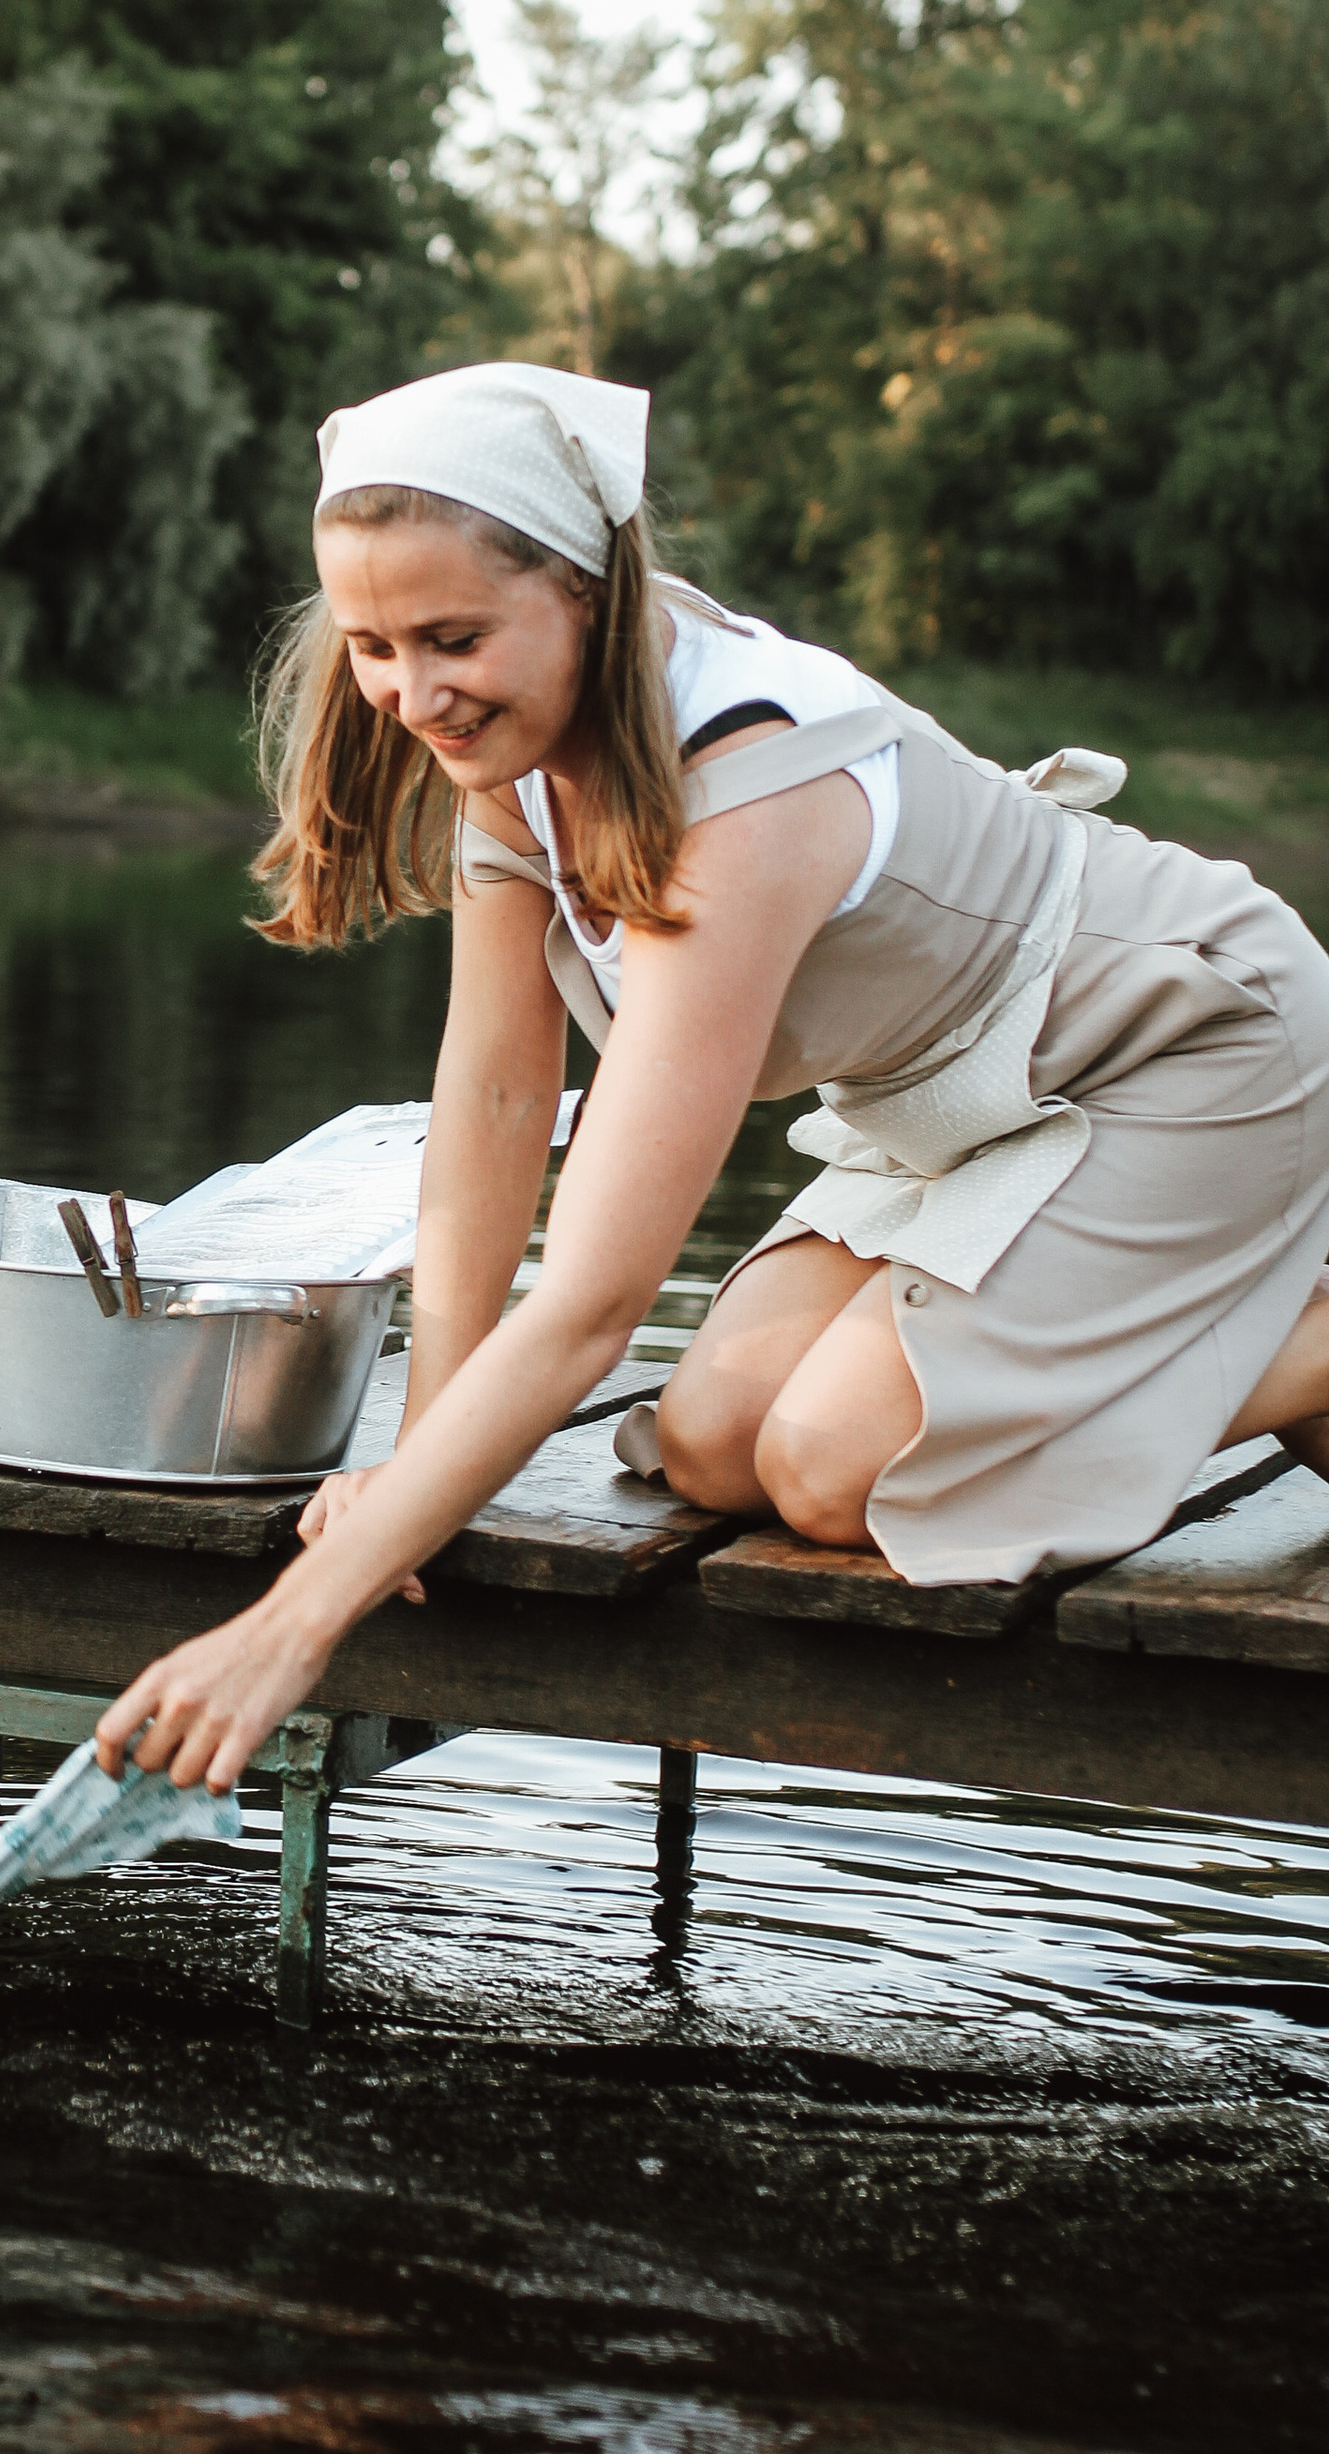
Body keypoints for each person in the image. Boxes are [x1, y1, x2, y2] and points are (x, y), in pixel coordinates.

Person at [97, 361, 1329, 1794]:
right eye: (372, 646)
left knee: (838, 1467)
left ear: (583, 593)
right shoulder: (513, 743)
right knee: (715, 1442)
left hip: (1185, 1045)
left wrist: (294, 1623)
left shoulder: (745, 787)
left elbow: (593, 1304)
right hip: (965, 1111)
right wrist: (416, 1461)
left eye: (452, 638)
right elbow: (495, 1105)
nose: (413, 694)